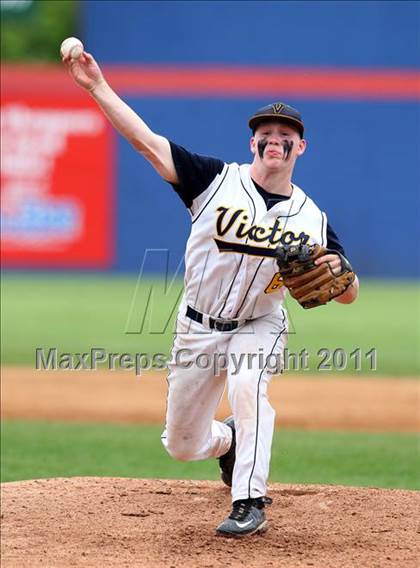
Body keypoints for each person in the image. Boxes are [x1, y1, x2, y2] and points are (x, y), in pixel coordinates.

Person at [63, 50, 359, 538]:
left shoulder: (313, 218)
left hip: (261, 324)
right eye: (266, 133)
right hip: (197, 327)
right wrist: (96, 87)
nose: (275, 140)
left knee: (249, 385)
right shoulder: (213, 181)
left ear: (301, 148)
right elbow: (145, 142)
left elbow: (347, 293)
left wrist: (342, 273)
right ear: (253, 141)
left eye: (286, 136)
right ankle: (231, 442)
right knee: (181, 443)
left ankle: (250, 500)